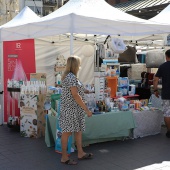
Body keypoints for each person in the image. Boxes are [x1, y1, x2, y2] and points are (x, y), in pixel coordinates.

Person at [59, 55, 93, 165]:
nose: (80, 66)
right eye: (79, 64)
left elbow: (76, 90)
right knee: (67, 133)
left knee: (78, 131)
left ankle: (80, 153)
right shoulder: (71, 77)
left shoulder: (71, 76)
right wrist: (86, 109)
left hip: (74, 110)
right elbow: (75, 95)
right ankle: (64, 157)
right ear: (75, 65)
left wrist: (86, 91)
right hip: (70, 110)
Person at [154, 49, 170, 138]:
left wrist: (155, 90)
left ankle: (169, 131)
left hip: (166, 93)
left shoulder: (162, 66)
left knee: (167, 113)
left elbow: (156, 79)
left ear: (166, 56)